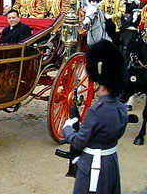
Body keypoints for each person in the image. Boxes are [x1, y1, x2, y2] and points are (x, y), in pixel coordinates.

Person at [62, 40, 128, 194]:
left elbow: (79, 142)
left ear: (101, 83)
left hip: (93, 165)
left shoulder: (96, 111)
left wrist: (68, 128)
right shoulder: (121, 108)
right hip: (111, 161)